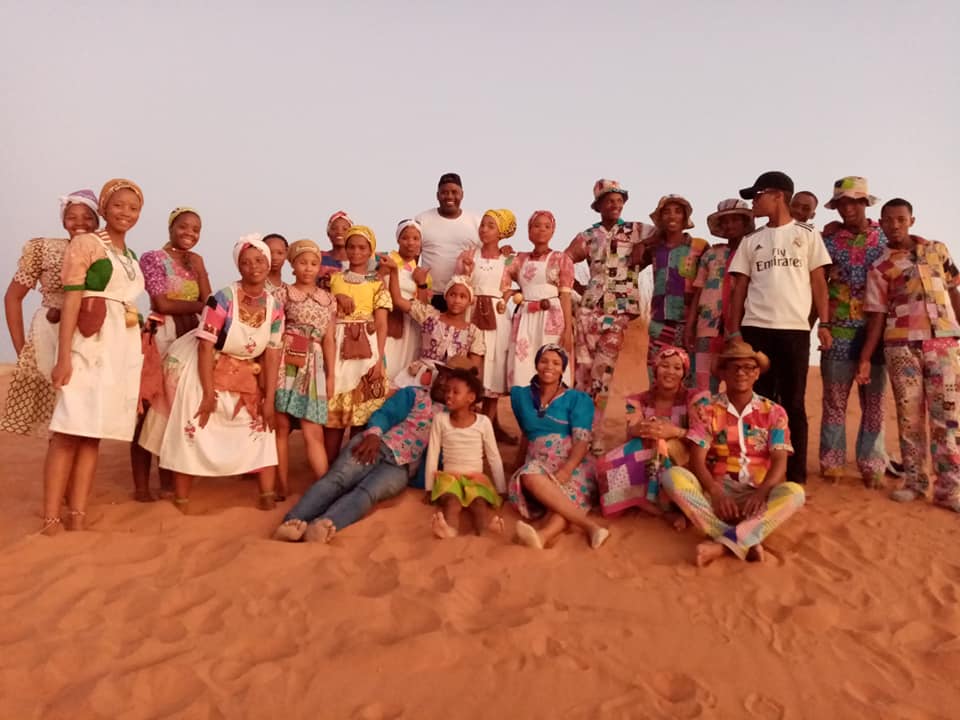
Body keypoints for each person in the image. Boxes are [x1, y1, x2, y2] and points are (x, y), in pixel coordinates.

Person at [41, 179, 146, 534]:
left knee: (92, 431)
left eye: (133, 208)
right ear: (104, 208)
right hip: (88, 342)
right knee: (68, 428)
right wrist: (65, 355)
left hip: (120, 345)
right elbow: (73, 297)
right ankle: (52, 515)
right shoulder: (88, 243)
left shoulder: (130, 257)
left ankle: (79, 513)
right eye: (118, 206)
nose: (125, 213)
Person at [152, 236, 282, 512]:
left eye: (259, 260)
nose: (254, 267)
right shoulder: (222, 298)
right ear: (238, 267)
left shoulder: (274, 306)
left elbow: (272, 353)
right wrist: (208, 392)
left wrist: (269, 398)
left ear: (268, 263)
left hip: (247, 370)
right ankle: (182, 499)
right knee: (194, 424)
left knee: (261, 429)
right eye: (246, 262)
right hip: (205, 366)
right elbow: (205, 345)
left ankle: (266, 496)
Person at [272, 360, 455, 543]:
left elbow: (440, 458)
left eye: (452, 383)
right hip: (376, 443)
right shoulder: (414, 395)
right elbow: (385, 414)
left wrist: (423, 481)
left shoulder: (451, 421)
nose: (444, 383)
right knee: (338, 479)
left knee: (368, 493)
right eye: (443, 376)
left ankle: (323, 525)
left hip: (401, 467)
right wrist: (374, 435)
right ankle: (291, 522)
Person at [728, 170, 832, 483]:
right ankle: (757, 469)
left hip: (794, 331)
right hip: (755, 329)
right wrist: (734, 331)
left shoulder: (807, 235)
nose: (754, 203)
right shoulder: (751, 241)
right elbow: (739, 290)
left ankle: (795, 474)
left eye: (758, 195)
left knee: (793, 403)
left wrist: (823, 324)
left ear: (778, 196)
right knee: (757, 401)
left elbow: (819, 284)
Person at [662, 341, 805, 566]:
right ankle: (742, 537)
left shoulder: (774, 412)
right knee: (672, 477)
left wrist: (762, 492)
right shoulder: (707, 410)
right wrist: (715, 492)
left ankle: (722, 544)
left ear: (757, 374)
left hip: (758, 493)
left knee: (795, 493)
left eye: (748, 367)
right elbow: (697, 459)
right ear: (723, 373)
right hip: (718, 492)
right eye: (734, 367)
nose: (741, 373)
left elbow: (780, 462)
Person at [858, 199, 960, 512]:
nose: (895, 225)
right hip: (900, 345)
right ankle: (915, 482)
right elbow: (875, 315)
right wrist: (865, 358)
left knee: (949, 418)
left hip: (943, 343)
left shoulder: (937, 250)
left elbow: (954, 289)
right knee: (909, 416)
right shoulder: (879, 266)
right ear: (881, 223)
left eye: (901, 219)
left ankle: (950, 488)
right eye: (888, 220)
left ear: (911, 220)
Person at [565, 179, 655, 451]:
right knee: (582, 374)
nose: (614, 205)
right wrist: (578, 288)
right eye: (608, 200)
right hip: (589, 309)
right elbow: (565, 261)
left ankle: (595, 434)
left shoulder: (636, 230)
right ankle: (577, 432)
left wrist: (645, 252)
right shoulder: (588, 235)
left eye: (618, 200)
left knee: (602, 374)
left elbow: (664, 234)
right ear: (599, 206)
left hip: (618, 312)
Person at [1, 189, 99, 437]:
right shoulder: (42, 249)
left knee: (81, 419)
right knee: (58, 421)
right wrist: (21, 349)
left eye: (88, 217)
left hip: (89, 337)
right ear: (63, 220)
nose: (79, 223)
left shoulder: (104, 252)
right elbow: (13, 297)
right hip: (49, 334)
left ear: (98, 220)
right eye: (72, 216)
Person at [133, 206, 211, 501]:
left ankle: (167, 481)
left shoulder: (194, 263)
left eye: (196, 229)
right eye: (184, 227)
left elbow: (210, 299)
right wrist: (198, 307)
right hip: (162, 336)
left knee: (175, 408)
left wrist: (201, 268)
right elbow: (162, 304)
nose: (189, 233)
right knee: (149, 405)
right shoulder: (153, 258)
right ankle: (141, 486)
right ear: (170, 227)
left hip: (189, 335)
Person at [819, 177, 888, 488]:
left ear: (864, 204)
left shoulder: (885, 237)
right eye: (842, 203)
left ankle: (872, 464)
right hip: (839, 329)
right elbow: (817, 283)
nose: (847, 208)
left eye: (853, 202)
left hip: (878, 329)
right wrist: (821, 325)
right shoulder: (828, 241)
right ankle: (831, 461)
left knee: (874, 401)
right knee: (834, 399)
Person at [509, 344, 610, 550]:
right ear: (536, 364)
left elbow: (582, 440)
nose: (549, 367)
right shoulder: (521, 397)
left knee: (562, 501)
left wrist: (568, 469)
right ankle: (591, 527)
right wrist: (516, 466)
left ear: (563, 369)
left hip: (572, 459)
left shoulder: (577, 399)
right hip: (538, 460)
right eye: (544, 361)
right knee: (530, 477)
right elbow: (526, 435)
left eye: (556, 363)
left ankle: (543, 536)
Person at [598, 346, 702, 528]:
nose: (670, 372)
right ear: (655, 369)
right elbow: (631, 430)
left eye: (677, 368)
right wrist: (643, 428)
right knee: (609, 462)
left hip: (685, 458)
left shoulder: (694, 397)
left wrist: (675, 432)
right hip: (649, 455)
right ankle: (657, 509)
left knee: (665, 448)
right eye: (664, 366)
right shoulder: (637, 399)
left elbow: (701, 437)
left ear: (684, 372)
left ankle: (671, 504)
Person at [274, 239, 336, 500]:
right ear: (293, 265)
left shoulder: (328, 300)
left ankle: (323, 488)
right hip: (286, 359)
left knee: (314, 429)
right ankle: (280, 487)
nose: (308, 268)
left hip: (315, 363)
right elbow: (274, 332)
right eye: (302, 262)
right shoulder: (283, 294)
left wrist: (331, 375)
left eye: (313, 263)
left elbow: (330, 339)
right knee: (281, 426)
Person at [325, 225, 392, 461]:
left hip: (367, 350)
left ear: (370, 251)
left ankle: (349, 466)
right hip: (338, 348)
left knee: (361, 416)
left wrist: (379, 360)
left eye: (362, 247)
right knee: (334, 418)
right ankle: (329, 468)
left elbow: (382, 325)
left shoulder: (377, 284)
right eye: (351, 246)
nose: (355, 252)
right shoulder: (333, 281)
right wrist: (336, 298)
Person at [426, 367, 506, 539]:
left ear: (471, 398)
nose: (448, 395)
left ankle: (485, 531)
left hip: (476, 478)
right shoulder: (440, 420)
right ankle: (450, 530)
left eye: (456, 392)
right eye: (447, 391)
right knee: (451, 502)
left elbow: (494, 458)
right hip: (449, 477)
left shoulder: (483, 422)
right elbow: (433, 454)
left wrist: (501, 488)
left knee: (479, 504)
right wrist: (429, 487)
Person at [457, 208, 517, 439]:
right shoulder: (469, 254)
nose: (484, 229)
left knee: (494, 370)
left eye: (491, 226)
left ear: (501, 232)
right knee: (471, 369)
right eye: (483, 224)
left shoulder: (511, 259)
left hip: (498, 318)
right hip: (471, 314)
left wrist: (510, 295)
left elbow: (525, 280)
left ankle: (488, 429)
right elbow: (459, 283)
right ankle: (466, 424)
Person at [684, 199, 754, 392]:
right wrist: (690, 326)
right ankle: (702, 422)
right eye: (725, 221)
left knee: (739, 385)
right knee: (703, 387)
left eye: (735, 220)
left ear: (745, 223)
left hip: (740, 332)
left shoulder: (754, 253)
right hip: (707, 328)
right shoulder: (712, 254)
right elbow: (699, 290)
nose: (730, 225)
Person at [640, 194, 708, 381]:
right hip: (659, 319)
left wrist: (693, 323)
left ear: (685, 218)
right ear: (660, 218)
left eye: (678, 212)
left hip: (688, 321)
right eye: (667, 212)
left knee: (685, 375)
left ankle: (684, 411)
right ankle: (656, 411)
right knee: (656, 372)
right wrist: (642, 244)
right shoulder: (654, 249)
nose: (672, 216)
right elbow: (633, 262)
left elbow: (702, 286)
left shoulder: (699, 247)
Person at [505, 210, 575, 388]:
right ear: (529, 232)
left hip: (552, 318)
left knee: (552, 362)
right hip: (525, 318)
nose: (541, 230)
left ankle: (553, 411)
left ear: (553, 231)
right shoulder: (518, 259)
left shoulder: (561, 259)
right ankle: (526, 411)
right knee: (523, 366)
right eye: (536, 226)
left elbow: (565, 295)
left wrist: (567, 330)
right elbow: (502, 270)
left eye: (547, 226)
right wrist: (502, 251)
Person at [387, 274, 484, 388]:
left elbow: (473, 368)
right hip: (419, 377)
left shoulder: (474, 332)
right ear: (445, 296)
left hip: (449, 384)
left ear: (470, 301)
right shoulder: (429, 315)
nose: (457, 300)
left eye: (463, 297)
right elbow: (398, 300)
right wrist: (393, 270)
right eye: (453, 295)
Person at [415, 172, 481, 310]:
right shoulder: (423, 219)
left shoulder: (476, 221)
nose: (450, 196)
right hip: (430, 294)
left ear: (462, 194)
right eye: (444, 192)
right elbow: (412, 259)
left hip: (462, 296)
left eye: (454, 192)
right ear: (437, 195)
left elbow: (486, 254)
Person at [382, 219, 431, 381]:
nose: (411, 243)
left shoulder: (420, 271)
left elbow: (423, 307)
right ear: (398, 240)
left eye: (416, 239)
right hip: (388, 320)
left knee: (404, 372)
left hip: (411, 325)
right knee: (386, 364)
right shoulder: (386, 260)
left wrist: (422, 283)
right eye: (405, 238)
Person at [318, 211, 352, 290]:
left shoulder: (359, 261)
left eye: (345, 229)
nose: (339, 232)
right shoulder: (319, 257)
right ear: (328, 233)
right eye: (334, 228)